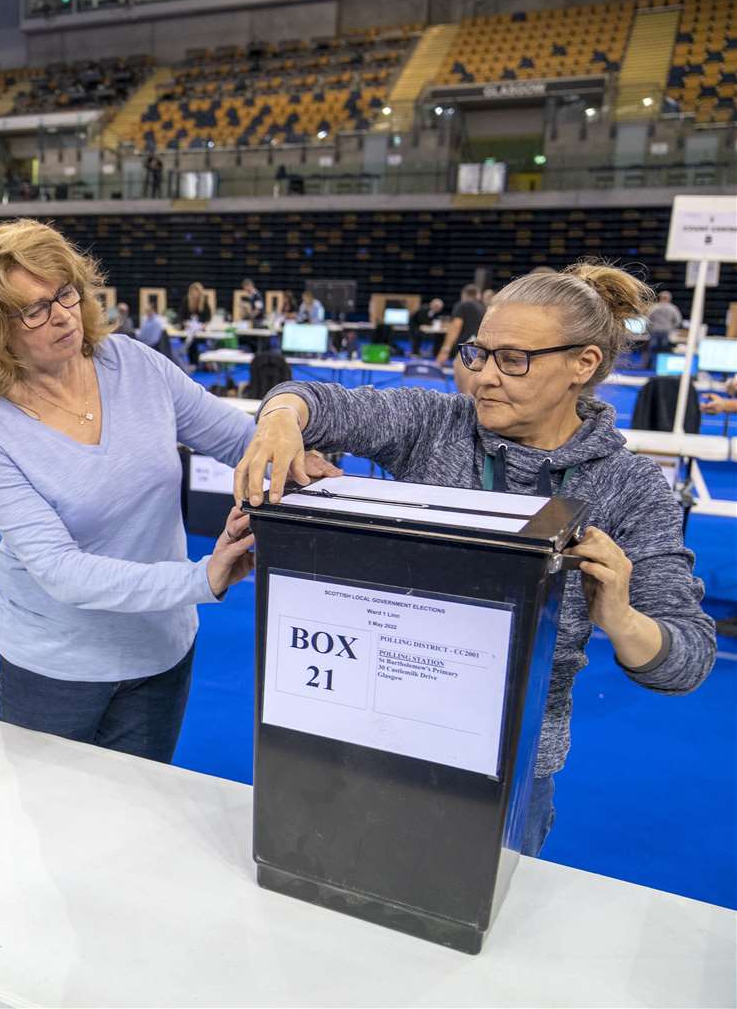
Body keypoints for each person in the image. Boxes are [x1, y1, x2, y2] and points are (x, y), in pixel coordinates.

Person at [235, 262, 716, 857]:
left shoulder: (631, 488)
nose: (484, 377)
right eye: (478, 354)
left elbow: (686, 662)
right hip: (371, 731)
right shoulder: (436, 424)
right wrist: (280, 421)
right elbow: (312, 398)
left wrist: (620, 618)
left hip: (511, 771)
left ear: (583, 364)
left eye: (514, 359)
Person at [0, 218, 309, 763]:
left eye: (65, 292)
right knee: (53, 828)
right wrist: (200, 578)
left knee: (136, 830)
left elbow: (235, 436)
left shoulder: (134, 362)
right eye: (35, 308)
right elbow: (60, 570)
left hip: (160, 653)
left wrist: (299, 463)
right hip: (57, 668)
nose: (63, 315)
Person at [435, 284, 486, 380]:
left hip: (462, 348)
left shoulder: (462, 305)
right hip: (476, 346)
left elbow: (456, 326)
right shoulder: (483, 307)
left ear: (464, 294)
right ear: (477, 295)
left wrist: (445, 349)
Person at [646, 290, 682, 364]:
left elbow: (647, 319)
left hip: (655, 331)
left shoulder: (654, 308)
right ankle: (662, 365)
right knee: (664, 349)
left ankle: (650, 365)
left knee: (652, 349)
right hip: (666, 331)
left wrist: (649, 329)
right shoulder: (673, 308)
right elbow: (678, 321)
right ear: (669, 298)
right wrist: (671, 328)